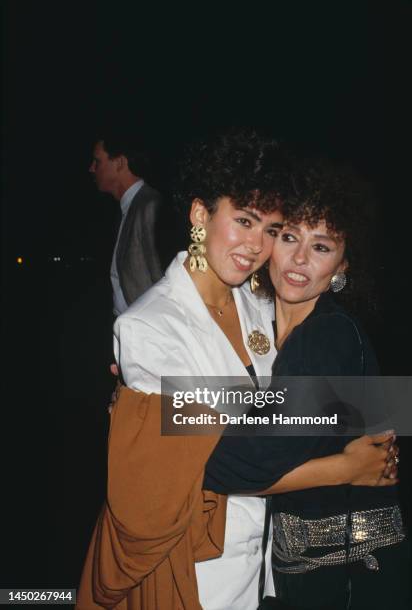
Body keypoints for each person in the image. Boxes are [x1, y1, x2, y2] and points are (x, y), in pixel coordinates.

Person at [76, 133, 396, 610]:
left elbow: (291, 411)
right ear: (201, 215)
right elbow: (198, 464)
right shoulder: (149, 327)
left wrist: (373, 412)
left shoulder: (260, 303)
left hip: (270, 564)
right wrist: (344, 467)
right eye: (244, 221)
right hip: (203, 567)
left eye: (271, 229)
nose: (256, 246)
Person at [204, 156, 409, 609]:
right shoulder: (263, 322)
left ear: (342, 266)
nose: (299, 259)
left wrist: (156, 413)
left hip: (341, 577)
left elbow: (230, 465)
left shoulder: (324, 340)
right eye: (290, 237)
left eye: (321, 246)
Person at [89, 132, 163, 316]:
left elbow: (164, 279)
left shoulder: (150, 206)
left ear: (120, 162)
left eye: (97, 161)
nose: (91, 168)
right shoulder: (126, 209)